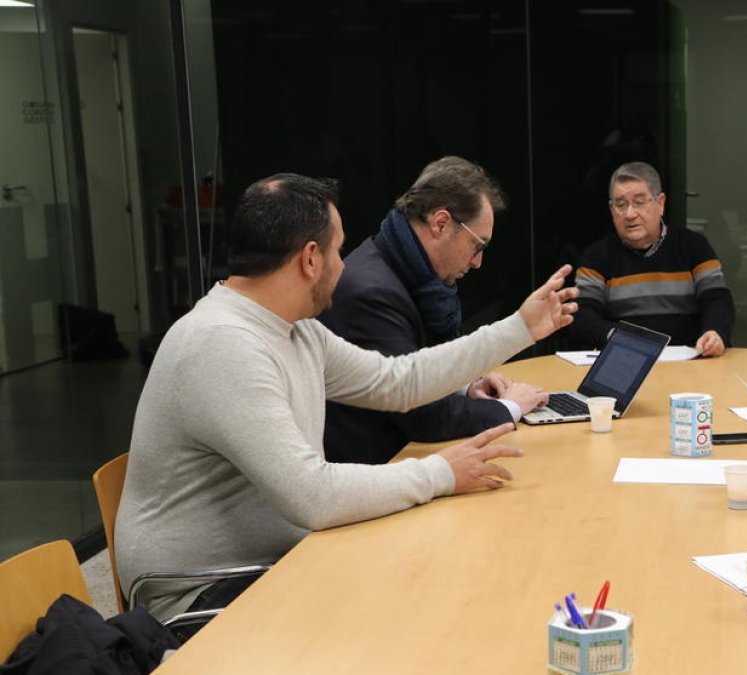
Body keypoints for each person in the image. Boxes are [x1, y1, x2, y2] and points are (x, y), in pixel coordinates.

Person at [115, 173, 578, 621]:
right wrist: (440, 473)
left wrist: (519, 328)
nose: (345, 266)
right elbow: (312, 495)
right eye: (338, 251)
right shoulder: (222, 345)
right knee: (409, 605)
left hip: (280, 556)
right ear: (310, 259)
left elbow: (398, 382)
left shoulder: (294, 328)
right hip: (201, 593)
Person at [319, 157, 548, 464]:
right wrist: (509, 407)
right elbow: (418, 411)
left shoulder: (403, 270)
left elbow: (419, 367)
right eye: (477, 245)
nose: (478, 262)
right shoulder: (371, 291)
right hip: (378, 469)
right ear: (441, 223)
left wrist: (465, 386)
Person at [570, 161, 734, 356]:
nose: (630, 214)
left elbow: (717, 299)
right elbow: (582, 315)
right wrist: (618, 338)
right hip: (625, 359)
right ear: (611, 210)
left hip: (692, 359)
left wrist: (714, 333)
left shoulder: (693, 246)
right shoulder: (596, 257)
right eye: (621, 205)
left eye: (639, 203)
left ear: (661, 203)